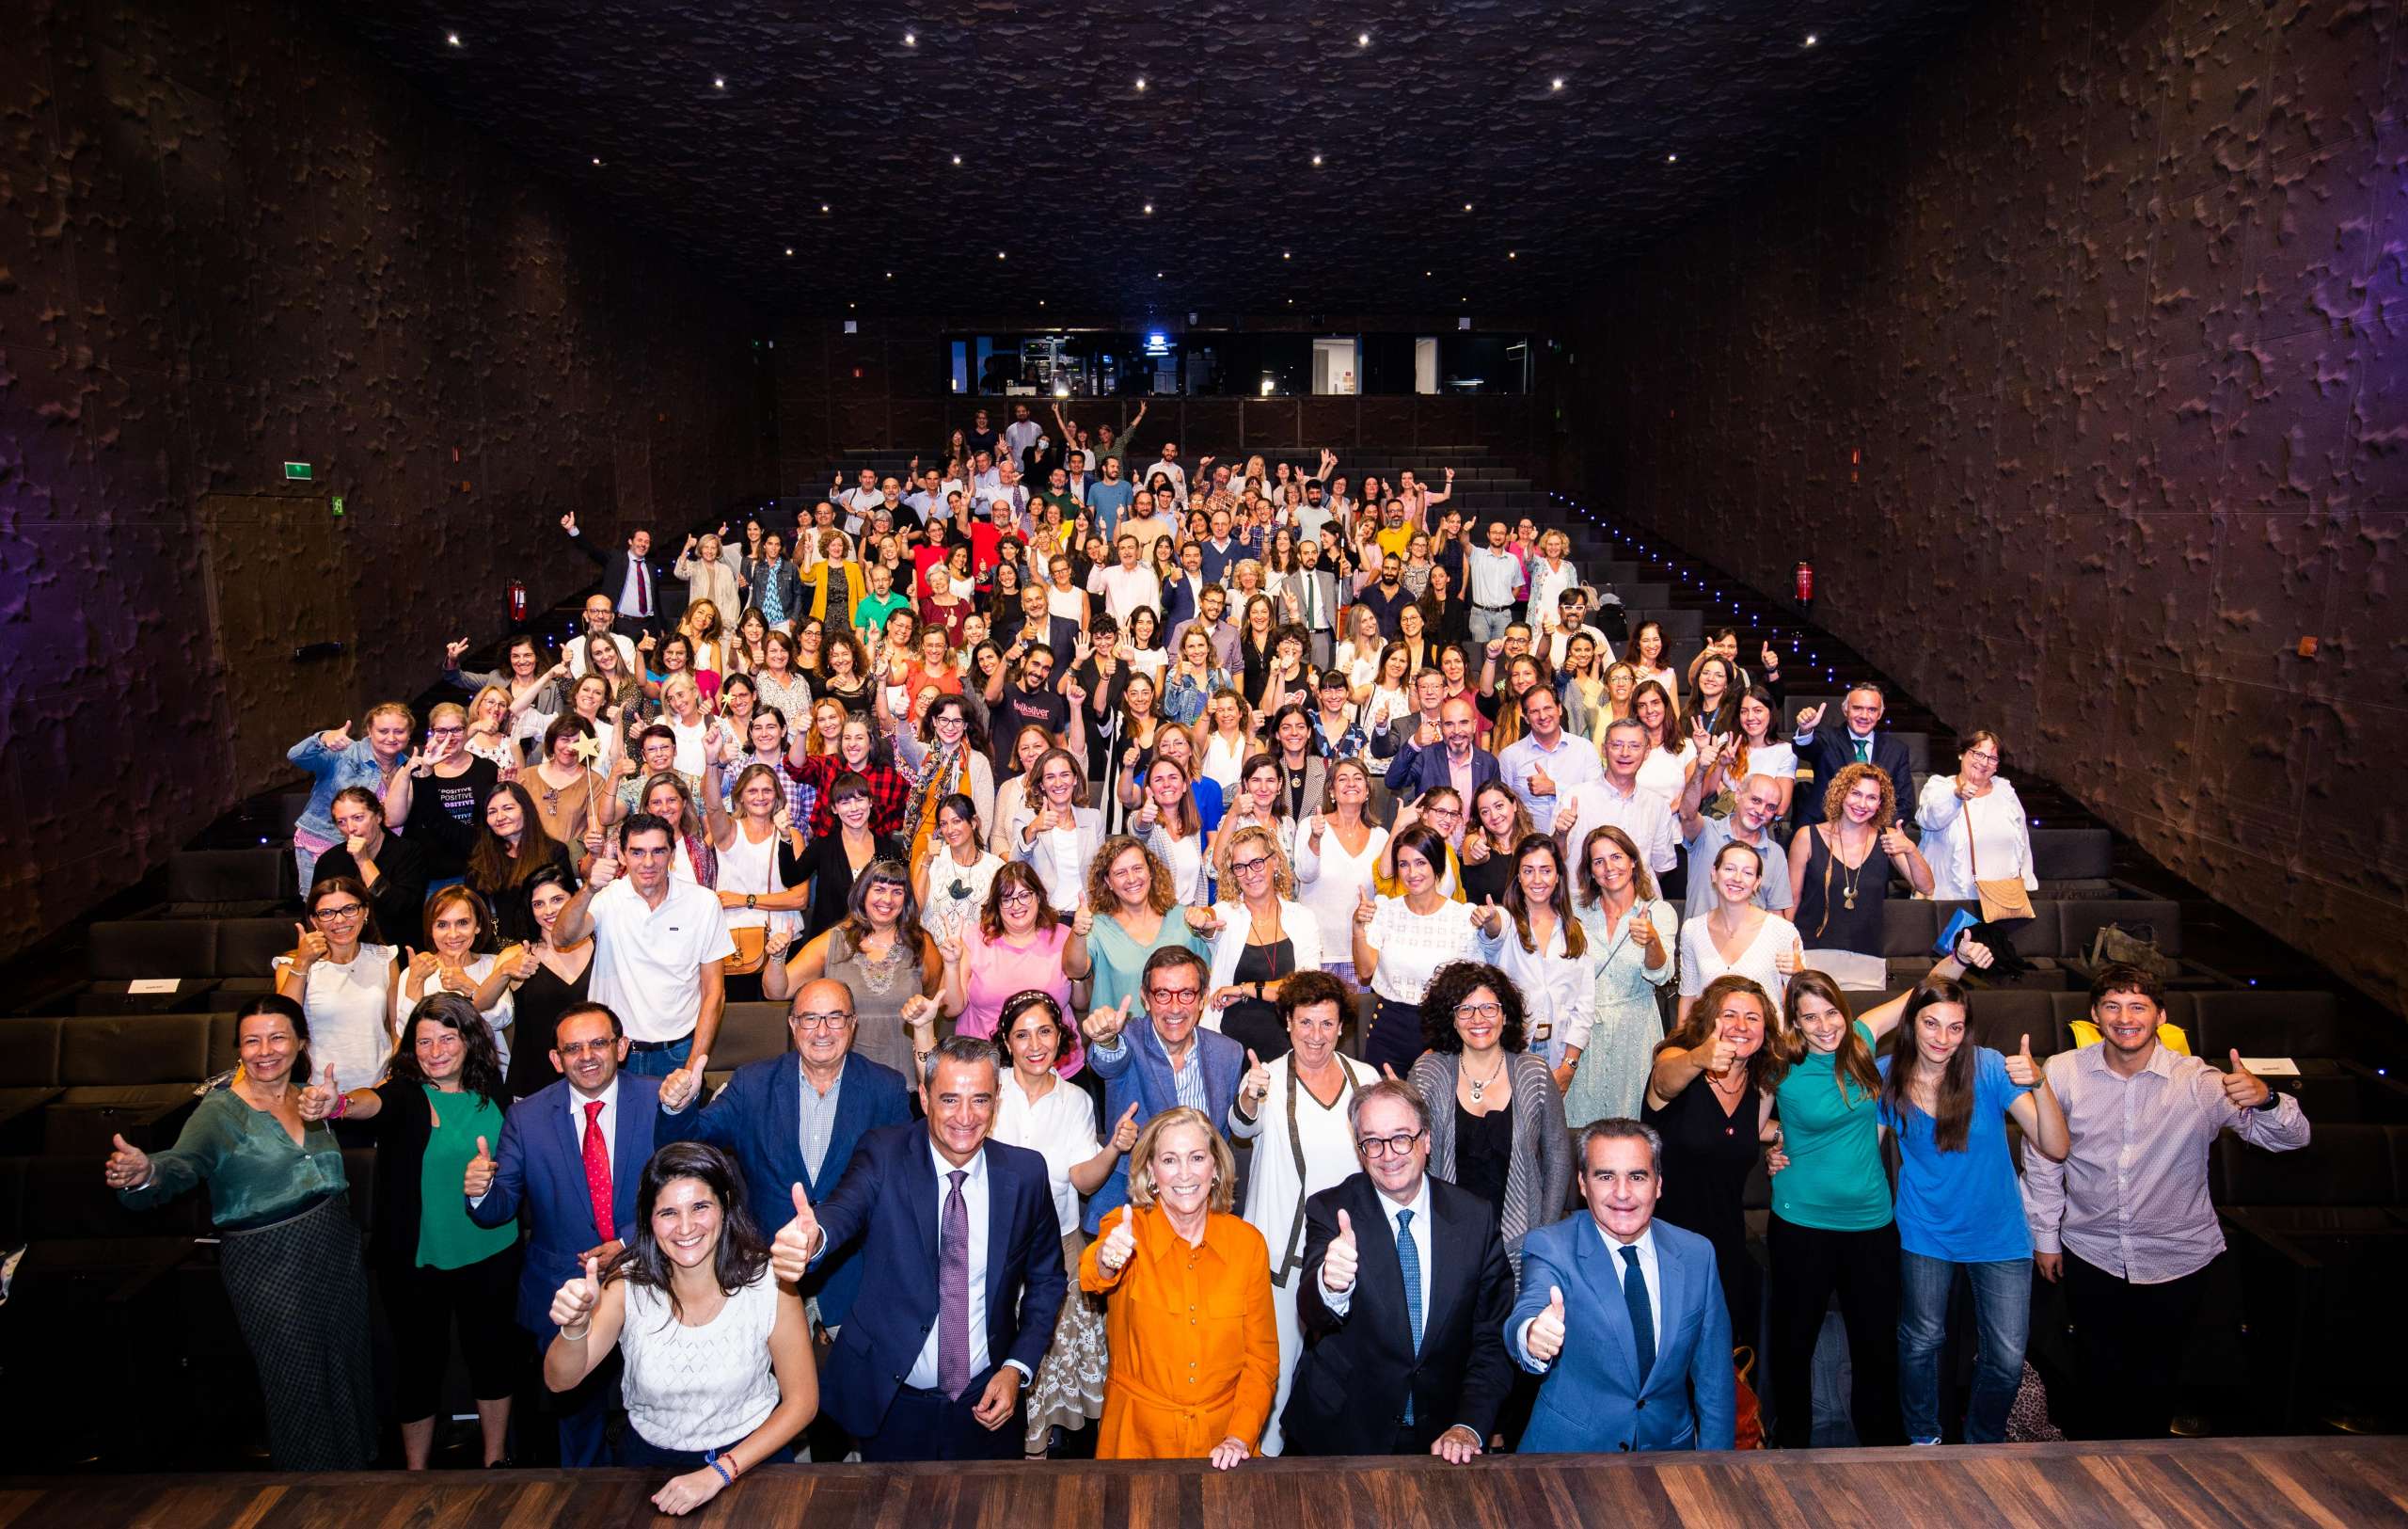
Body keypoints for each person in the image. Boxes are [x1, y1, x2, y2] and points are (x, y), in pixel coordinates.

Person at [2021, 963, 2310, 1441]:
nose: (2125, 1017)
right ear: (2095, 1015)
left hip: (2178, 1255)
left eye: (2138, 1006)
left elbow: (2292, 1141)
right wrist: (2045, 1237)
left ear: (2161, 1016)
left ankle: (2150, 1482)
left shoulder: (2197, 1080)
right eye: (2112, 1006)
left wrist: (2268, 1099)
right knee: (2096, 1373)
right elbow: (2044, 1159)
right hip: (2091, 1249)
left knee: (2158, 1379)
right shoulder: (2064, 1071)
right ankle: (2094, 1479)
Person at [765, 1035, 1069, 1460]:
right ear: (924, 1097)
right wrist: (814, 1239)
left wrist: (1016, 1368)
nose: (965, 1116)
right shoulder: (883, 1154)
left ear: (997, 1100)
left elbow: (1048, 1280)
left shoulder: (1025, 1173)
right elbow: (843, 1210)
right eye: (949, 1099)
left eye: (980, 1100)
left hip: (988, 1398)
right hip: (892, 1401)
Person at [105, 997, 377, 1469]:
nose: (264, 1050)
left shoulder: (309, 1096)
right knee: (298, 1382)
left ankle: (360, 1487)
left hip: (335, 1251)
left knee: (348, 1369)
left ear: (300, 1044)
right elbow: (183, 1162)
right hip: (267, 1264)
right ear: (239, 1050)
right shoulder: (220, 1113)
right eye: (252, 1040)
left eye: (277, 1037)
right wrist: (147, 1171)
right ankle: (311, 1501)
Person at [1762, 952, 1991, 1450]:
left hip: (1870, 1225)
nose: (1824, 1026)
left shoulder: (1863, 1039)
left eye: (1830, 1013)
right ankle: (1792, 1445)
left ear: (1843, 1012)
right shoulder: (1780, 1063)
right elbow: (1755, 1125)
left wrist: (1958, 957)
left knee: (1876, 1348)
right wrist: (1780, 1147)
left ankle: (1880, 1447)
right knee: (1794, 1344)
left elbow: (1924, 991)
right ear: (1794, 1022)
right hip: (1801, 1225)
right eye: (1810, 1017)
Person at [299, 993, 520, 1467]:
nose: (436, 1050)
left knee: (492, 1360)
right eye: (424, 1041)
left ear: (469, 1040)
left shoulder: (495, 1093)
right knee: (418, 1368)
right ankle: (415, 1473)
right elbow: (365, 1104)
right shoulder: (402, 1093)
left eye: (447, 1037)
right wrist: (335, 1103)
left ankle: (496, 1460)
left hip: (492, 1250)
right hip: (417, 1261)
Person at [543, 1141, 816, 1513]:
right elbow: (560, 1380)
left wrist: (718, 1472)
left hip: (752, 1460)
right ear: (648, 1220)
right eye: (668, 1212)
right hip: (651, 1469)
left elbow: (802, 1403)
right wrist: (573, 1327)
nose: (685, 1228)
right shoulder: (627, 1284)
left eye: (700, 1207)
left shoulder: (769, 1281)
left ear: (725, 1206)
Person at [656, 976, 912, 1350]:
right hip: (765, 1275)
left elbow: (901, 1184)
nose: (822, 1030)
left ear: (853, 1024)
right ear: (792, 1025)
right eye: (809, 1018)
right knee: (774, 1398)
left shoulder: (885, 1088)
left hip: (852, 1276)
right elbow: (682, 1150)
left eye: (835, 1018)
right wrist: (677, 1107)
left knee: (853, 1399)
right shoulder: (752, 1084)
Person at [1282, 1077, 1513, 1459]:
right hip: (1338, 1435)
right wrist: (1330, 1284)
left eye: (1401, 1137)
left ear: (1426, 1140)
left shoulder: (1475, 1217)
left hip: (1440, 1437)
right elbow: (1312, 1310)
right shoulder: (1331, 1210)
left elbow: (1491, 1337)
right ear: (1360, 1151)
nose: (1388, 1154)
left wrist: (1469, 1424)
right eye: (1372, 1141)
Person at [1880, 980, 2068, 1444]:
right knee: (1921, 1343)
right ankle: (1924, 1437)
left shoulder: (1987, 1068)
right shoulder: (1887, 1074)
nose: (1943, 1038)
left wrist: (2039, 1084)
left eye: (1955, 1027)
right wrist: (1782, 1151)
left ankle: (1982, 1442)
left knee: (2005, 1358)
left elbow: (2056, 1146)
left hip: (1999, 1233)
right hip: (1926, 1230)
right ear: (1911, 1023)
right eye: (1931, 1023)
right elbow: (1859, 1151)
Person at [1506, 1119, 1736, 1453]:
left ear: (1658, 1184)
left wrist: (1716, 1471)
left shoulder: (1697, 1254)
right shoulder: (1551, 1246)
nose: (1623, 1193)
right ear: (1583, 1184)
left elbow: (1715, 1381)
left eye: (1637, 1176)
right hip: (1568, 1461)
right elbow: (1530, 1306)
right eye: (1605, 1176)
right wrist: (1531, 1336)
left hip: (1668, 1457)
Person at [1226, 971, 1378, 1453]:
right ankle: (1262, 1466)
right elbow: (1240, 1125)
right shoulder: (1266, 1076)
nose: (1316, 1035)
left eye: (1327, 1023)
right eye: (1305, 1022)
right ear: (1288, 1022)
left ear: (1341, 1027)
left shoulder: (1365, 1078)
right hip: (1281, 1253)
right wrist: (1249, 1094)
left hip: (1351, 1253)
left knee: (1347, 1368)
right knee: (1272, 1372)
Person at [1081, 1107, 1279, 1467]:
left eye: (1197, 1158)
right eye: (1170, 1160)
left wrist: (1240, 1435)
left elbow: (1261, 1361)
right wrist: (1107, 1259)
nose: (1185, 1173)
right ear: (1150, 1173)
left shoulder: (1248, 1244)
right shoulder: (1127, 1230)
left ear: (1216, 1169)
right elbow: (1092, 1273)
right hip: (1136, 1442)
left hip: (1223, 1446)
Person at [990, 991, 1135, 1457]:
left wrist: (1112, 1148)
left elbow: (1082, 1180)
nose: (1035, 1044)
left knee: (1048, 1361)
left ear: (1061, 1038)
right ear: (1007, 1043)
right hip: (991, 1249)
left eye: (1045, 1032)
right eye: (1022, 1034)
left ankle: (1039, 1456)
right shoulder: (988, 1088)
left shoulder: (1075, 1099)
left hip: (1058, 1248)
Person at [1409, 962, 1574, 1279]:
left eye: (1489, 1007)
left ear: (1505, 1014)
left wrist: (1545, 1234)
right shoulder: (1428, 1075)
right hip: (1446, 1240)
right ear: (1452, 1019)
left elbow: (1558, 1156)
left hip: (1522, 1240)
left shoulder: (1534, 1073)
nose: (1478, 1019)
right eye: (1465, 1010)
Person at [1642, 974, 1778, 1353]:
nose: (1740, 1026)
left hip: (1726, 1246)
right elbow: (1666, 1082)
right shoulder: (1674, 1061)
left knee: (1722, 1360)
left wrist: (1786, 1143)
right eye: (1729, 1014)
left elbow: (1747, 1131)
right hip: (1667, 1242)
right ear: (1708, 1021)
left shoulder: (1761, 1083)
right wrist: (1701, 1057)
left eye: (1753, 1018)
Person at [1080, 947, 1247, 1234]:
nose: (1174, 1007)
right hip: (1130, 1209)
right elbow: (1109, 1060)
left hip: (1200, 1211)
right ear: (1146, 999)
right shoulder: (1128, 1039)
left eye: (1186, 994)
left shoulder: (1228, 1053)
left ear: (1202, 998)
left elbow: (1223, 1137)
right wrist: (1106, 1040)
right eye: (1162, 994)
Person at [556, 812, 734, 1077]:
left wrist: (693, 1066)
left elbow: (714, 993)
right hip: (615, 1052)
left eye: (658, 851)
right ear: (623, 856)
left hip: (679, 1050)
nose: (648, 862)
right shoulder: (606, 897)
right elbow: (563, 937)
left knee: (678, 1120)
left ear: (672, 855)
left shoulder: (703, 903)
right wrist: (589, 889)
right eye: (637, 852)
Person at [1560, 826, 1678, 1128]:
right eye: (1599, 861)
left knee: (1633, 1130)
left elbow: (1661, 975)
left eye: (1616, 857)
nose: (1609, 867)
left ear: (1633, 861)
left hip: (1636, 1031)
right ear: (1590, 871)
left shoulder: (1659, 912)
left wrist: (1651, 940)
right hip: (1585, 1034)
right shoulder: (1575, 912)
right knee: (1580, 1128)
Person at [1354, 825, 1481, 1076]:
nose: (1412, 873)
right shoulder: (1385, 910)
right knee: (1385, 1110)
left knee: (1439, 1112)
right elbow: (1365, 972)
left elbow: (1473, 988)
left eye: (1420, 862)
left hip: (1444, 1030)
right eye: (1403, 864)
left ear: (1436, 865)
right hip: (1389, 1028)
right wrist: (1357, 928)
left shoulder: (1462, 917)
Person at [1196, 823, 1324, 1062]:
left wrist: (1244, 989)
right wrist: (1199, 920)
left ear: (1274, 861)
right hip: (1229, 1050)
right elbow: (1208, 921)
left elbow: (1306, 988)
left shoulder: (1302, 918)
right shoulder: (1226, 913)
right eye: (1240, 867)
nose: (1250, 874)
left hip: (1288, 1047)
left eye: (1257, 862)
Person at [939, 862, 1081, 1072]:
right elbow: (950, 1010)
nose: (1016, 905)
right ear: (996, 904)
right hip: (986, 1069)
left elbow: (1081, 1002)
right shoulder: (972, 938)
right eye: (1006, 899)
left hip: (1057, 1068)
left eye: (1024, 895)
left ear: (1039, 897)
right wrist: (951, 964)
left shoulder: (1063, 936)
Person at [1473, 834, 1591, 1077]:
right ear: (1518, 877)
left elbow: (1584, 1005)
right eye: (1528, 871)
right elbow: (1494, 929)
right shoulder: (1508, 921)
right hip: (1509, 1052)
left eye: (1545, 870)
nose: (1537, 879)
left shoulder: (1575, 931)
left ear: (1558, 876)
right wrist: (1488, 919)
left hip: (1559, 1054)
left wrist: (1569, 1066)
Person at [273, 876, 402, 1086]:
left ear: (365, 912)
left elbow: (398, 1028)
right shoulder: (290, 964)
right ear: (314, 921)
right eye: (327, 913)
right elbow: (283, 1023)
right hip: (318, 1091)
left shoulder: (384, 958)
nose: (340, 920)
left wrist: (391, 1077)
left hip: (380, 1087)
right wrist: (303, 962)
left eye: (349, 909)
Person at [1069, 835, 1211, 1022]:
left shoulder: (1183, 920)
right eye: (1120, 873)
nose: (1132, 878)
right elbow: (1075, 971)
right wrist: (1077, 933)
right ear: (1108, 882)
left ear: (1151, 871)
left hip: (1178, 1038)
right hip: (1119, 1043)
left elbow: (1206, 982)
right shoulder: (1097, 927)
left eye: (1137, 868)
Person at [287, 703, 414, 885]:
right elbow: (296, 756)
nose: (391, 738)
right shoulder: (344, 752)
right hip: (325, 843)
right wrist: (323, 738)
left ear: (409, 734)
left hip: (376, 851)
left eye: (399, 731)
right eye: (383, 731)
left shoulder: (410, 767)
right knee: (323, 906)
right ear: (369, 731)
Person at [1678, 841, 1802, 1024]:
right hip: (1710, 1043)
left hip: (1767, 1044)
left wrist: (1800, 973)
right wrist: (1682, 1049)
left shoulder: (1782, 931)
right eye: (1729, 868)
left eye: (1747, 873)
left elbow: (1803, 1000)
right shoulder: (1692, 930)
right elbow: (1688, 997)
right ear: (1714, 873)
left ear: (1757, 882)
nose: (1737, 878)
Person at [1553, 718, 1681, 895]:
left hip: (1639, 907)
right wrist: (1560, 835)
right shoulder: (1576, 798)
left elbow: (1661, 865)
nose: (1625, 753)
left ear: (1646, 753)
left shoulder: (1657, 805)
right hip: (1585, 907)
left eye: (1635, 746)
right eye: (1617, 745)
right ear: (1604, 749)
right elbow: (1553, 860)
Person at [503, 867, 596, 1100]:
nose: (549, 910)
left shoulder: (601, 944)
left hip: (593, 1075)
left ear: (574, 899)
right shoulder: (516, 955)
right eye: (538, 904)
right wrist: (504, 972)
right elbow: (481, 1003)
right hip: (534, 1083)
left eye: (557, 899)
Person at [1916, 730, 2040, 904]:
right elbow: (1929, 820)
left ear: (1997, 766)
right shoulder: (1939, 787)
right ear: (1962, 754)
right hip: (1946, 897)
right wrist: (1956, 796)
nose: (1984, 762)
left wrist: (2024, 885)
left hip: (1999, 900)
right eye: (1978, 753)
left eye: (1992, 758)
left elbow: (2022, 841)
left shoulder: (2005, 792)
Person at [1675, 763, 1795, 923]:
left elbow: (1775, 914)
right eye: (1756, 800)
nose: (1760, 811)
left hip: (1749, 945)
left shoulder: (1775, 854)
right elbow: (1686, 814)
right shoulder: (1707, 831)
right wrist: (1700, 770)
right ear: (1738, 795)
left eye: (1770, 807)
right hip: (1698, 943)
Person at [466, 781, 579, 946]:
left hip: (547, 946)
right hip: (498, 949)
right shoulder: (479, 860)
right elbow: (475, 914)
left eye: (508, 808)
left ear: (526, 809)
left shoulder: (554, 852)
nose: (500, 817)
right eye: (492, 811)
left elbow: (567, 905)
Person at [309, 785, 431, 938]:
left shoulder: (409, 852)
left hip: (396, 941)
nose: (350, 828)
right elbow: (315, 912)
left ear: (378, 816)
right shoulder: (330, 860)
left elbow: (398, 907)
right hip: (345, 945)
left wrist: (363, 861)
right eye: (341, 822)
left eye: (358, 818)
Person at [1791, 687, 1913, 827]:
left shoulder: (1897, 750)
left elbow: (1904, 804)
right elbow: (1805, 749)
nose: (1864, 716)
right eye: (1857, 708)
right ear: (1845, 710)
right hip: (1824, 828)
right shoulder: (1826, 738)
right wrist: (1806, 730)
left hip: (1876, 834)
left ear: (1880, 714)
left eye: (1872, 710)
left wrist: (1872, 830)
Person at [1009, 745, 1106, 912]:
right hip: (1045, 916)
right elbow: (1014, 867)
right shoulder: (1026, 819)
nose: (1058, 783)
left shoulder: (1093, 818)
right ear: (1041, 784)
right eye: (1050, 777)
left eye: (1065, 775)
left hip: (1087, 914)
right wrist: (1032, 829)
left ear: (1075, 779)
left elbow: (1102, 871)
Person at [1497, 684, 1601, 837]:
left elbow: (1597, 798)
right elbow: (1502, 807)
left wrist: (1554, 788)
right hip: (1529, 849)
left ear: (1559, 709)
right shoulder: (1510, 756)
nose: (1543, 716)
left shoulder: (1585, 749)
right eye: (1534, 711)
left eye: (1548, 708)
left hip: (1577, 847)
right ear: (1525, 717)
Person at [1384, 696, 1499, 806]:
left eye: (1463, 723)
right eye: (1449, 724)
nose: (1457, 731)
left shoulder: (1489, 763)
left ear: (1474, 726)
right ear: (1440, 727)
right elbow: (1393, 782)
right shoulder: (1425, 757)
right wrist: (1414, 743)